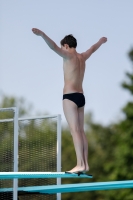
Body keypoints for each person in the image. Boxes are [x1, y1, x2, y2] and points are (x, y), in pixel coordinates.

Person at [32, 28, 107, 173]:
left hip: (70, 97)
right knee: (81, 131)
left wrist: (42, 35)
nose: (62, 50)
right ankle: (85, 164)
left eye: (62, 47)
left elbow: (52, 46)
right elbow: (92, 48)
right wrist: (101, 42)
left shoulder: (68, 56)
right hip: (81, 97)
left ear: (66, 46)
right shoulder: (82, 57)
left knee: (75, 131)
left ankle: (80, 164)